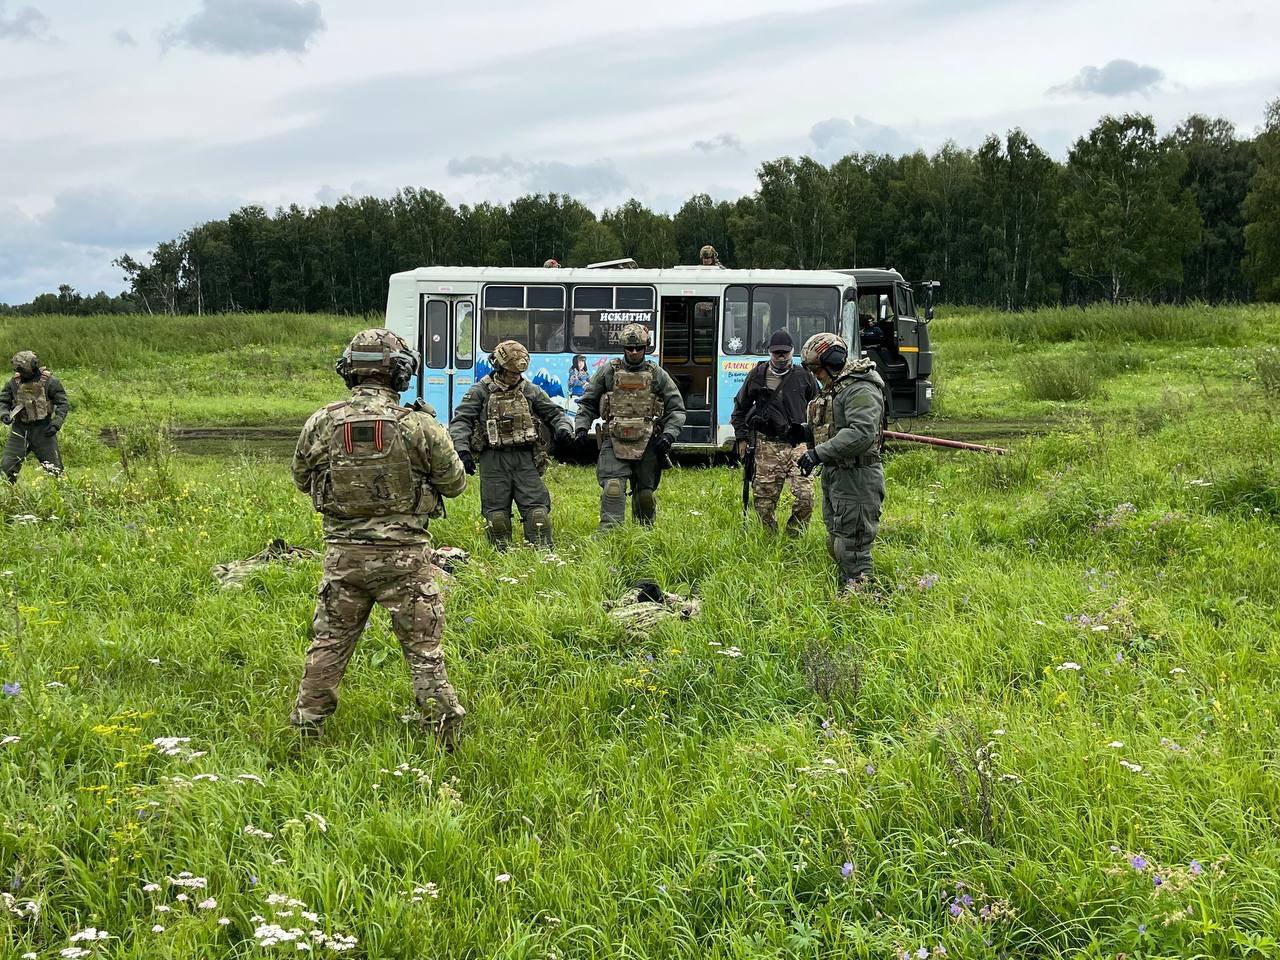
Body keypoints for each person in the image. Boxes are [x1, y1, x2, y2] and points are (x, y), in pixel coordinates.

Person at [290, 328, 468, 747]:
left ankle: (306, 729)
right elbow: (455, 483)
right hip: (405, 560)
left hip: (344, 559)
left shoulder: (322, 421)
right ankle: (445, 735)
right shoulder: (419, 426)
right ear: (401, 373)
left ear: (349, 371)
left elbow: (301, 478)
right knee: (424, 651)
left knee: (329, 643)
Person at [448, 339, 573, 549]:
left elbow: (555, 414)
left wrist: (563, 429)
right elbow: (461, 420)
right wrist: (462, 449)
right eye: (511, 372)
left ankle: (542, 558)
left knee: (537, 514)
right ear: (498, 367)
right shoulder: (481, 392)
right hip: (493, 460)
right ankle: (502, 561)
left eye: (519, 373)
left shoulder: (530, 390)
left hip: (525, 459)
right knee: (497, 518)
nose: (516, 377)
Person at [796, 332, 888, 594]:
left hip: (857, 477)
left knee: (853, 547)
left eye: (817, 369)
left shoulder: (861, 388)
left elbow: (860, 433)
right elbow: (834, 427)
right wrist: (802, 432)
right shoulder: (837, 388)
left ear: (832, 362)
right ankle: (849, 594)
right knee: (837, 540)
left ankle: (863, 601)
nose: (816, 376)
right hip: (837, 475)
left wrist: (818, 453)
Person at [574, 323, 685, 530]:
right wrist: (581, 428)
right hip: (614, 440)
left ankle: (644, 538)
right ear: (623, 348)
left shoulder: (657, 374)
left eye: (639, 348)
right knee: (613, 489)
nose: (634, 352)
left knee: (644, 495)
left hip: (648, 441)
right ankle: (610, 537)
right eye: (629, 348)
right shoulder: (608, 371)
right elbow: (588, 402)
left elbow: (677, 410)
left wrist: (668, 435)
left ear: (646, 347)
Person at [730, 329, 819, 536]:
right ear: (769, 352)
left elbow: (817, 408)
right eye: (776, 353)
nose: (781, 357)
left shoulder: (804, 376)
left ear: (792, 352)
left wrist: (817, 444)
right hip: (767, 446)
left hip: (798, 446)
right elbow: (739, 409)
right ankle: (769, 539)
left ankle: (794, 536)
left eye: (785, 353)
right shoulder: (757, 375)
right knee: (763, 501)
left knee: (805, 496)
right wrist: (742, 437)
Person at [1, 351, 69, 483]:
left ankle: (61, 499)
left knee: (56, 472)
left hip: (44, 430)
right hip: (19, 430)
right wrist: (3, 414)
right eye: (18, 370)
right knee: (6, 468)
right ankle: (10, 497)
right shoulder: (13, 383)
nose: (21, 373)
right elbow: (3, 401)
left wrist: (56, 423)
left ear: (33, 366)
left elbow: (63, 404)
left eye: (23, 369)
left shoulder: (50, 382)